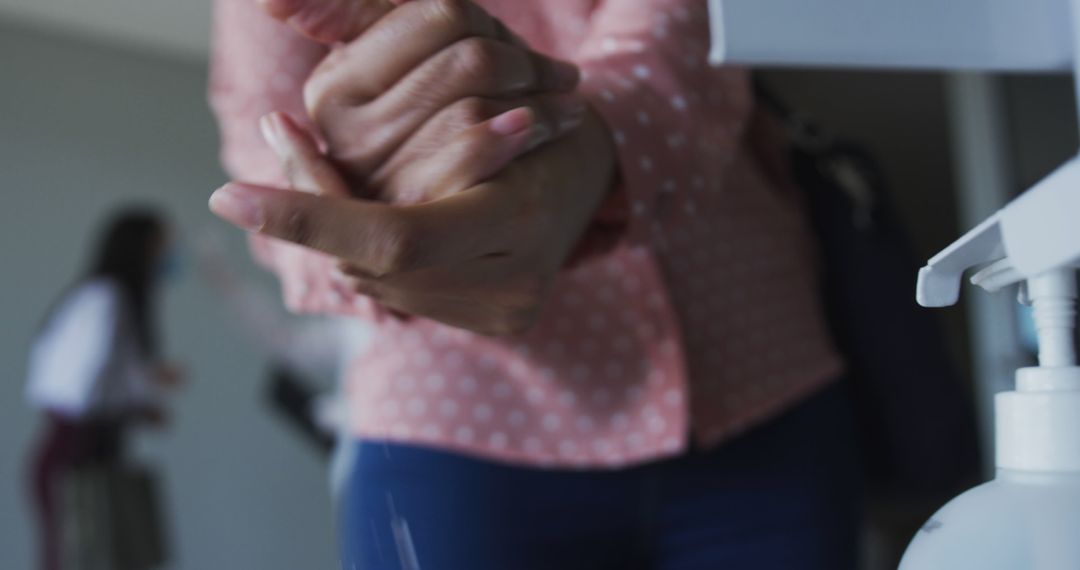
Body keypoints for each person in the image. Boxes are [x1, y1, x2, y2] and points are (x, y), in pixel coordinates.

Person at [208, 0, 860, 568]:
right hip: (450, 416)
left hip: (749, 366)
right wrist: (368, 208)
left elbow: (678, 40)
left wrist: (556, 175)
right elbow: (265, 139)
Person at [25, 208, 182, 570]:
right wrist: (140, 394)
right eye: (162, 245)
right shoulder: (105, 299)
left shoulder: (110, 298)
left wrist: (141, 395)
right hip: (75, 455)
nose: (167, 255)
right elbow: (80, 389)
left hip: (95, 451)